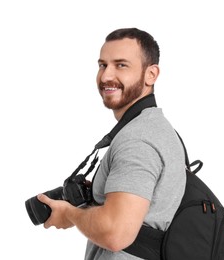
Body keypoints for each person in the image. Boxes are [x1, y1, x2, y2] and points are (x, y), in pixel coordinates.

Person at [37, 27, 186, 260]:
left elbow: (116, 233)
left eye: (121, 65)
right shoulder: (155, 129)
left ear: (151, 75)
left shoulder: (138, 139)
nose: (106, 76)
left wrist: (70, 214)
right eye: (102, 65)